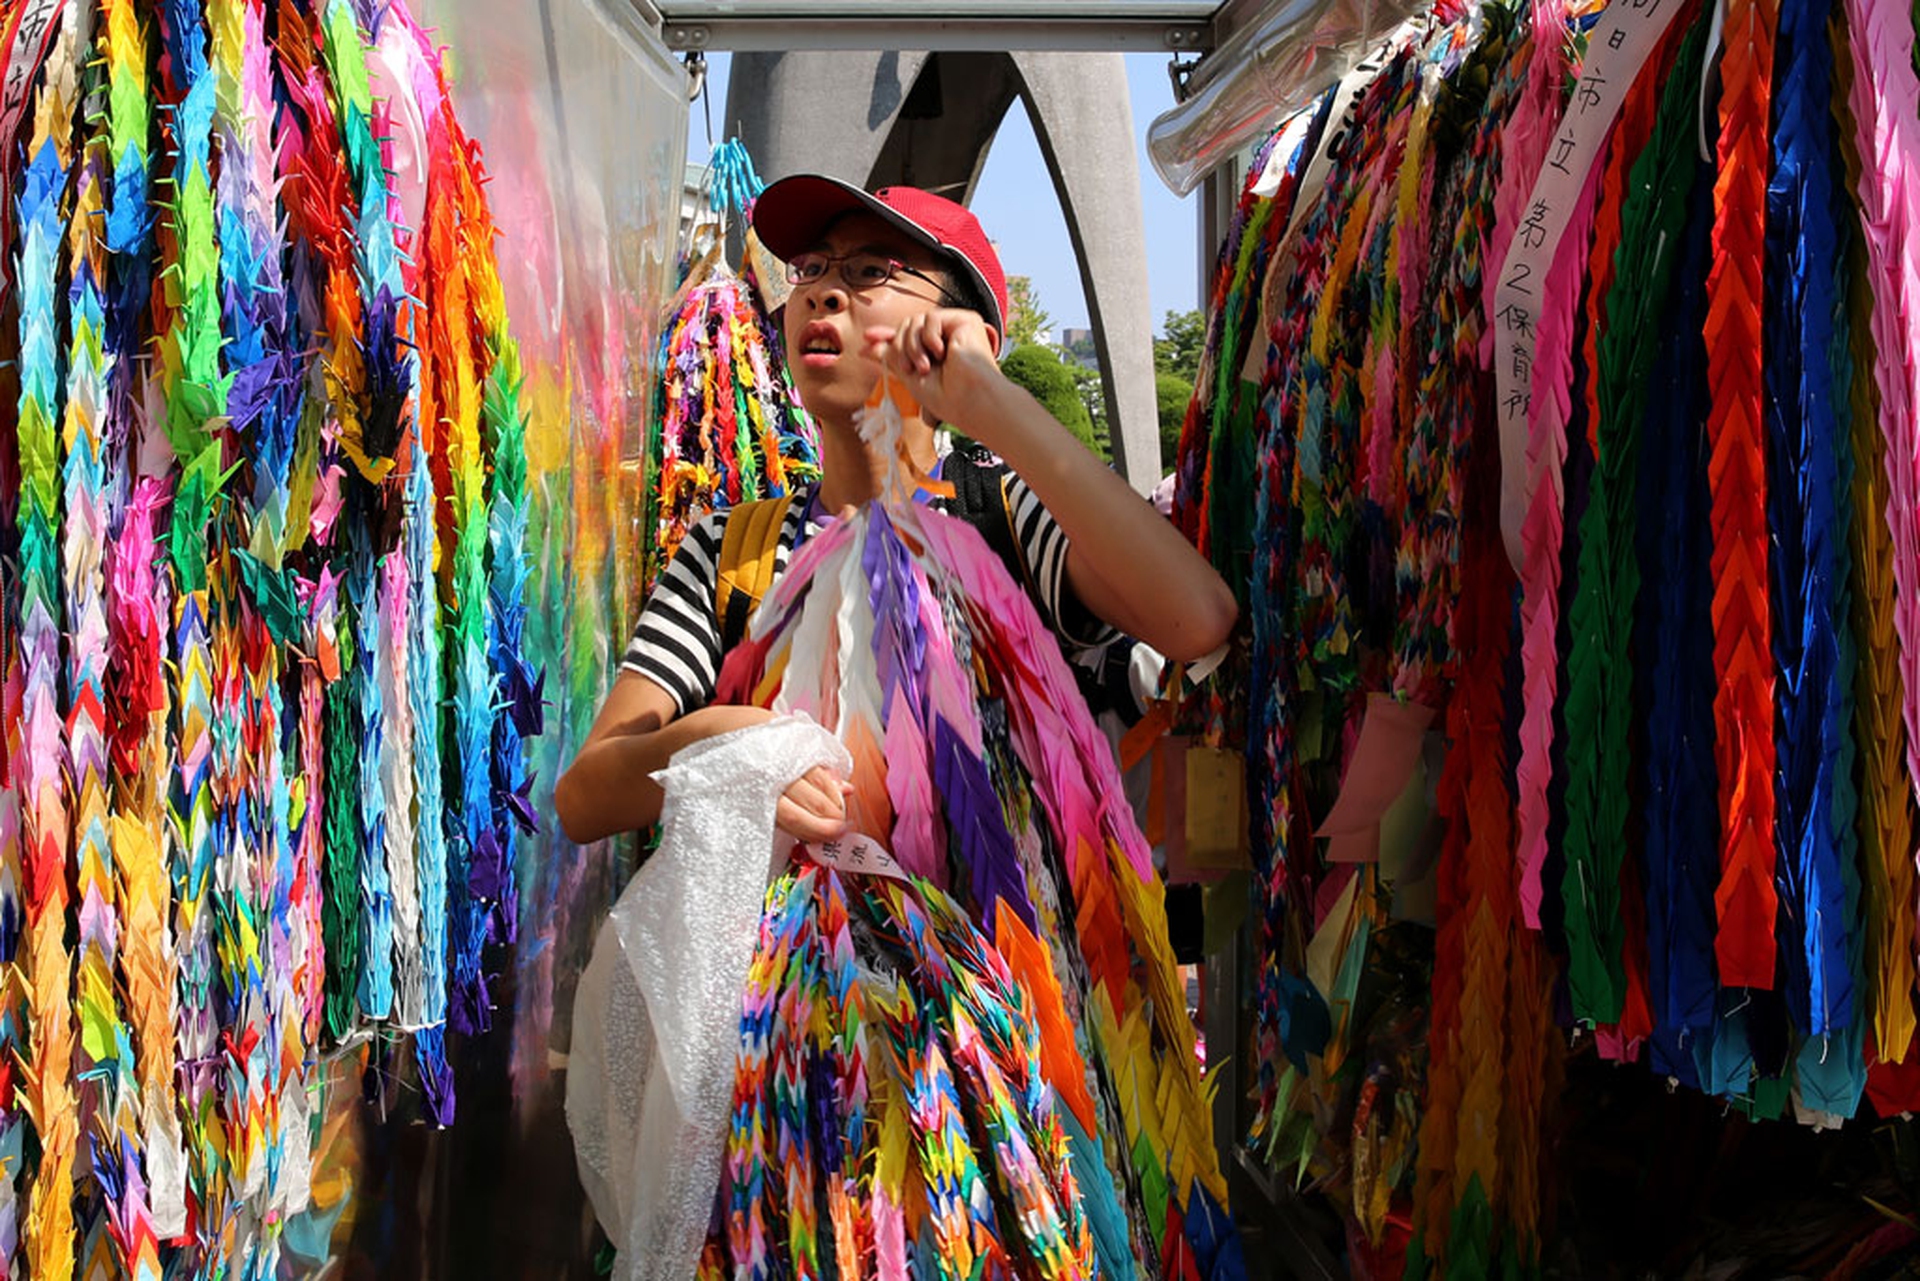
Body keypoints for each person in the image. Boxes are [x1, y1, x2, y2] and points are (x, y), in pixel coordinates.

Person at [554, 175, 1236, 846]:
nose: (824, 290)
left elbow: (1196, 620)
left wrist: (991, 405)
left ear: (966, 329)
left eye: (871, 270)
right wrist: (713, 740)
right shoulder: (730, 550)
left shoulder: (1005, 518)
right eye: (812, 267)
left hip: (993, 959)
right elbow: (585, 798)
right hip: (778, 957)